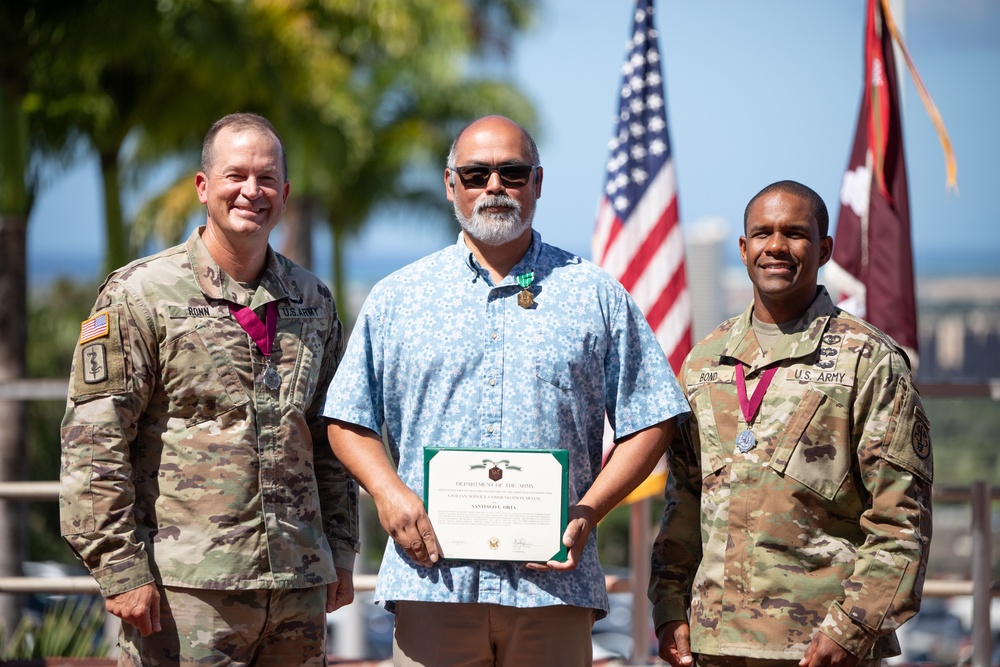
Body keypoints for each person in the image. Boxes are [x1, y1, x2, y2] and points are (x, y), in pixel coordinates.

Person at [322, 114, 689, 667]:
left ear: (537, 182)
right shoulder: (398, 298)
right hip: (433, 584)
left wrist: (591, 510)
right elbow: (348, 418)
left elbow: (654, 415)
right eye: (475, 174)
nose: (494, 186)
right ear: (451, 185)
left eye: (511, 173)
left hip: (552, 590)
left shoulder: (595, 295)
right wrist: (387, 492)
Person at [59, 112, 359, 666]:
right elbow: (93, 445)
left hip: (296, 585)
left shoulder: (313, 300)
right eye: (235, 175)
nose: (252, 191)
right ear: (203, 187)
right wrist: (121, 571)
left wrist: (339, 551)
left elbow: (329, 438)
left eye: (267, 178)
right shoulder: (141, 294)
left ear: (286, 193)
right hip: (186, 593)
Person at [649, 180, 933, 667]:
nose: (776, 247)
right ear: (743, 249)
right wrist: (669, 606)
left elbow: (899, 519)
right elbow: (685, 502)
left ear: (823, 249)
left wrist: (852, 628)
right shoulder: (704, 363)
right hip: (711, 643)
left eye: (794, 234)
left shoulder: (867, 360)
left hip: (818, 646)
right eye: (762, 233)